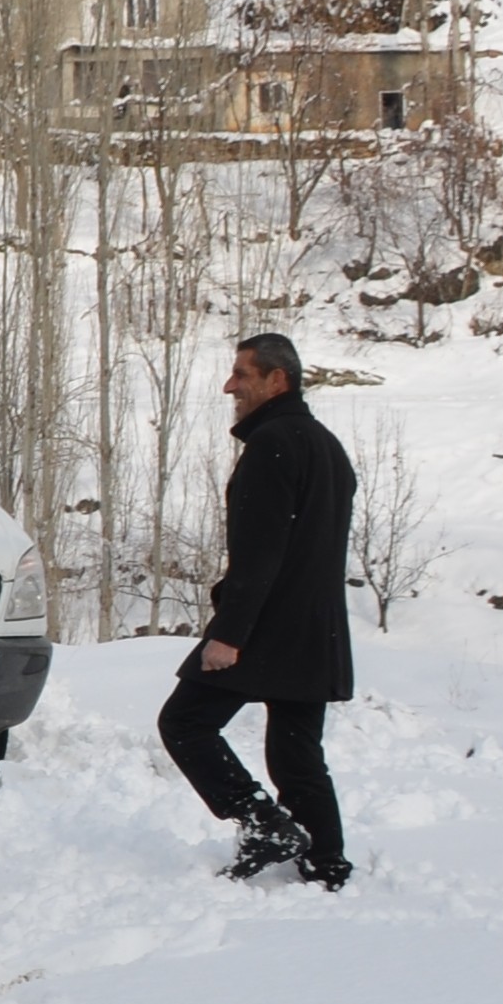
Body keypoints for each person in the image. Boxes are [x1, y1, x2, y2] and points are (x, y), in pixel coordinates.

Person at [160, 332, 359, 888]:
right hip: (315, 630)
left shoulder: (273, 444)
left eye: (242, 375)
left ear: (277, 380)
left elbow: (261, 552)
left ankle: (264, 823)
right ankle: (327, 866)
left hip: (267, 626)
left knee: (184, 723)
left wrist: (229, 633)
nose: (230, 387)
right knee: (297, 755)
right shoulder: (327, 446)